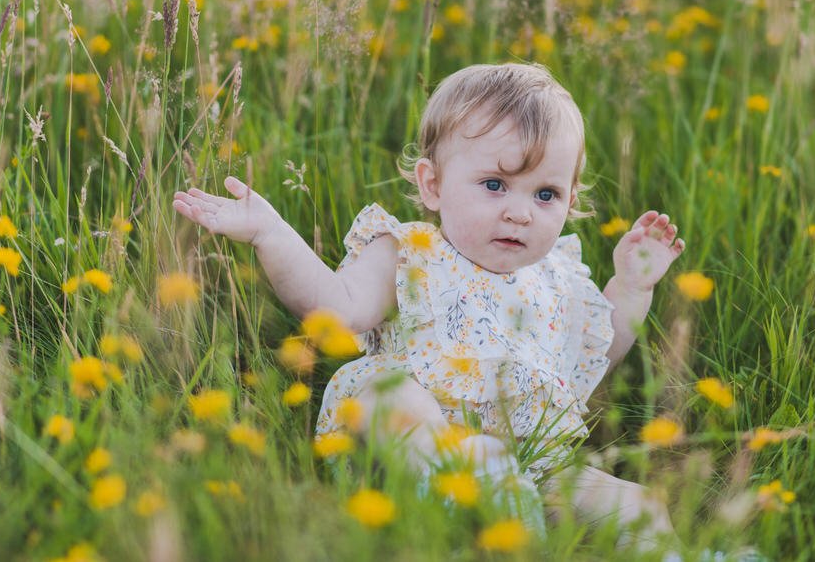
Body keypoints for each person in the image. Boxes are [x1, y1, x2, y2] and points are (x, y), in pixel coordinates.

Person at [173, 63, 685, 550]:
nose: (519, 212)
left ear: (571, 201)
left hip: (530, 469)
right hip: (409, 448)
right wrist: (270, 233)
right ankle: (459, 493)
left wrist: (633, 286)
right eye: (494, 185)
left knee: (639, 506)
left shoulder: (558, 280)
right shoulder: (411, 253)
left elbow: (596, 356)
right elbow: (336, 309)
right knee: (388, 395)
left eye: (545, 194)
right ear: (432, 185)